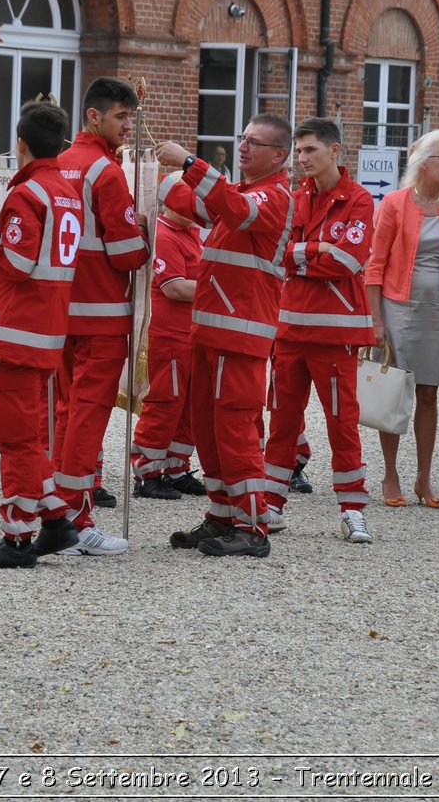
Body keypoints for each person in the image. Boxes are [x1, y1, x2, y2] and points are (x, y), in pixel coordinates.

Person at [155, 113, 293, 558]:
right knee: (210, 432)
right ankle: (221, 515)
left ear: (279, 155)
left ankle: (252, 527)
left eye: (255, 142)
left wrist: (190, 163)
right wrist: (151, 178)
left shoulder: (276, 196)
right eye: (243, 138)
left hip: (240, 339)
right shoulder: (243, 192)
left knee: (234, 430)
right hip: (212, 332)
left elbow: (234, 210)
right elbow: (195, 205)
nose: (244, 146)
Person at [0, 102, 85, 568]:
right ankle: (55, 521)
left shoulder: (28, 193)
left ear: (21, 146)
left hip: (15, 330)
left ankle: (15, 538)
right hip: (45, 330)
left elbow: (16, 263)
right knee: (28, 433)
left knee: (16, 441)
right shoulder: (66, 191)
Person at [263, 117, 376, 543]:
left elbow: (348, 261)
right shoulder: (295, 199)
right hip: (290, 330)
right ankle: (271, 503)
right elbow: (275, 255)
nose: (301, 158)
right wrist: (318, 250)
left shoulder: (360, 200)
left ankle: (352, 508)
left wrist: (302, 255)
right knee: (282, 422)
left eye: (310, 150)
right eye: (299, 150)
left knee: (341, 423)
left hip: (335, 335)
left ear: (335, 151)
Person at [51, 78, 150, 555]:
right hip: (102, 313)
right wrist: (144, 230)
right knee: (87, 416)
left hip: (61, 312)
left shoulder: (60, 164)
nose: (128, 126)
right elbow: (128, 253)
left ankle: (60, 511)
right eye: (121, 117)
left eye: (130, 117)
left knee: (66, 412)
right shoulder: (105, 172)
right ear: (94, 117)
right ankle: (72, 520)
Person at [362, 129, 439, 510]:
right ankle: (390, 473)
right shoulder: (394, 203)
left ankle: (424, 477)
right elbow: (374, 266)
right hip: (399, 306)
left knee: (430, 392)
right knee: (394, 391)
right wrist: (376, 322)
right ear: (422, 163)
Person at [129, 172, 207, 499]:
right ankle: (147, 472)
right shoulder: (165, 233)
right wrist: (218, 291)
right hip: (169, 334)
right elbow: (174, 286)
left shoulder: (189, 232)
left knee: (189, 404)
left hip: (190, 333)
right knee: (165, 402)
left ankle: (176, 467)